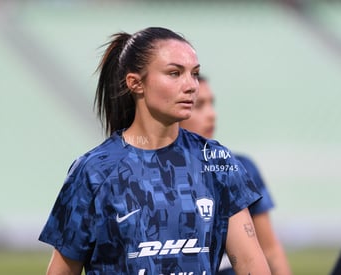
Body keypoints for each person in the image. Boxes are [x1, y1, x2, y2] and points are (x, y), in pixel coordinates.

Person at [39, 27, 271, 275]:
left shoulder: (215, 161)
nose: (191, 85)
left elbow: (249, 264)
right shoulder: (94, 171)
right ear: (136, 83)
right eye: (174, 73)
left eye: (194, 74)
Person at [180, 75, 292, 275]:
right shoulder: (151, 176)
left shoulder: (239, 168)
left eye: (211, 104)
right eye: (199, 106)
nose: (211, 114)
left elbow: (270, 250)